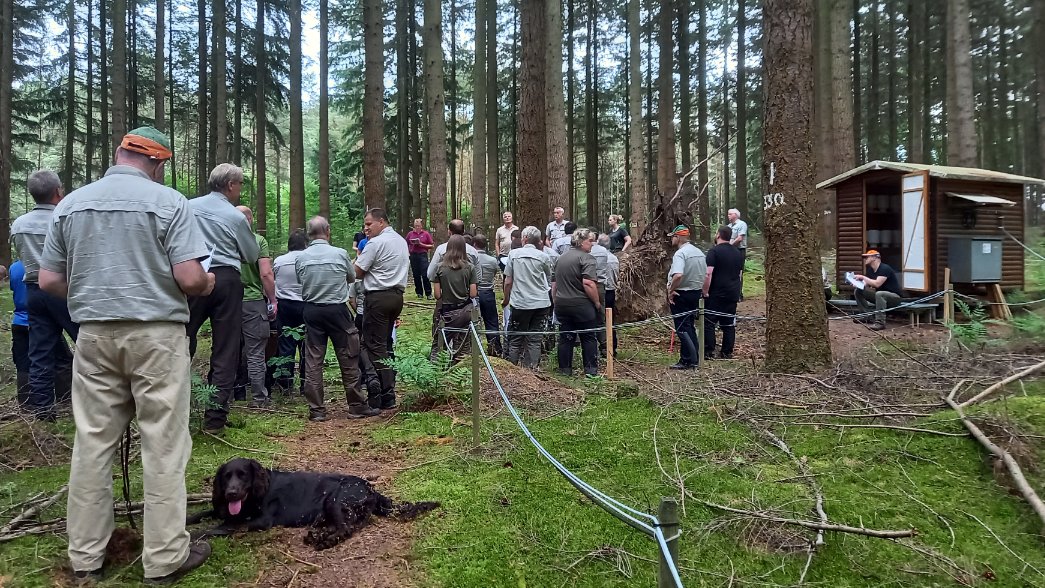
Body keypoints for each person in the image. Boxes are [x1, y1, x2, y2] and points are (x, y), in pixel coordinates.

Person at [38, 126, 214, 584]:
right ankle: (164, 559)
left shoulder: (71, 204)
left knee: (92, 443)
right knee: (163, 444)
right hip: (157, 335)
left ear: (119, 154)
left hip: (94, 335)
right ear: (157, 164)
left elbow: (49, 282)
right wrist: (208, 283)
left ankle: (85, 557)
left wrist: (92, 294)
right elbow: (192, 280)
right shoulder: (170, 203)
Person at [186, 163, 260, 432]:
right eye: (240, 185)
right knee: (226, 348)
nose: (240, 190)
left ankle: (176, 405)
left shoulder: (187, 206)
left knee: (182, 338)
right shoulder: (235, 217)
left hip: (190, 275)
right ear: (230, 185)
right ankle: (214, 418)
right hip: (227, 279)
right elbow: (251, 255)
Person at [10, 169, 78, 421]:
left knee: (39, 352)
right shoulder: (66, 218)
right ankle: (93, 401)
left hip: (33, 292)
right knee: (89, 344)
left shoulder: (19, 224)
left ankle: (43, 411)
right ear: (59, 191)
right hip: (63, 289)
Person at [295, 216, 376, 421]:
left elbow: (299, 280)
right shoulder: (340, 254)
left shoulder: (301, 257)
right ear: (328, 231)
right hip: (337, 311)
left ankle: (317, 409)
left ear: (309, 233)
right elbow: (351, 277)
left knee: (313, 360)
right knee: (349, 355)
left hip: (311, 310)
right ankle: (356, 405)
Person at [355, 208, 409, 410]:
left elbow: (358, 272)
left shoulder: (376, 243)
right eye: (365, 225)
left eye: (369, 224)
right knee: (384, 343)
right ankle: (386, 393)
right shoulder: (400, 240)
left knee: (371, 345)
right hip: (396, 296)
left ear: (382, 222)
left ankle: (381, 393)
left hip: (378, 297)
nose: (365, 228)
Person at [236, 206, 276, 407]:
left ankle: (227, 397)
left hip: (227, 302)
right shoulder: (258, 241)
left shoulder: (224, 241)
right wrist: (273, 299)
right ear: (250, 220)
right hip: (252, 302)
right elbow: (266, 274)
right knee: (255, 352)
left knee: (225, 350)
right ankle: (259, 398)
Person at [552, 228, 601, 377]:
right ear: (581, 242)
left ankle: (564, 370)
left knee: (566, 337)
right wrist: (597, 302)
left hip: (562, 304)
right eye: (590, 241)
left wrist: (556, 301)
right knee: (588, 337)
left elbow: (554, 284)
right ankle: (591, 371)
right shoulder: (587, 258)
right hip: (581, 305)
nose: (592, 244)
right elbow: (588, 283)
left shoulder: (560, 258)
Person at [503, 227, 553, 369]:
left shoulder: (513, 254)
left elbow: (508, 281)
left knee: (515, 338)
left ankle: (512, 370)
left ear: (524, 238)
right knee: (535, 339)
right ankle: (531, 370)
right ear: (538, 240)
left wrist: (506, 298)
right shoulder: (544, 257)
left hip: (520, 302)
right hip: (541, 303)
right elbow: (548, 277)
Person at [271, 231, 308, 394]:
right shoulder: (309, 260)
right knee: (308, 345)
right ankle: (306, 384)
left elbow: (272, 280)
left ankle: (285, 384)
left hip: (285, 305)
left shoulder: (279, 261)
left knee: (286, 344)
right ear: (305, 244)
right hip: (306, 305)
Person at [666, 225, 706, 370]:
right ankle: (688, 358)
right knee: (689, 325)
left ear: (678, 237)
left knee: (682, 328)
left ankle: (690, 359)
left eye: (673, 236)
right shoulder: (699, 252)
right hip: (695, 292)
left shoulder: (680, 254)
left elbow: (678, 275)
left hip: (681, 294)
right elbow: (706, 274)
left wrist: (671, 290)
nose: (671, 239)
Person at [432, 235, 478, 358]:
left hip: (446, 312)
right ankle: (458, 369)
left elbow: (437, 295)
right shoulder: (470, 267)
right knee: (463, 346)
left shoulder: (439, 267)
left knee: (439, 345)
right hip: (465, 312)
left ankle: (436, 371)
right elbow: (473, 294)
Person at [703, 226, 744, 360]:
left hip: (716, 292)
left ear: (719, 235)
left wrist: (705, 291)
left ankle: (708, 351)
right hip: (732, 292)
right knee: (728, 323)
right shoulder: (737, 252)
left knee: (709, 322)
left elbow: (708, 273)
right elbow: (739, 273)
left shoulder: (714, 252)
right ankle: (727, 352)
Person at [853, 249, 904, 331]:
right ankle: (866, 315)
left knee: (880, 294)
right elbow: (865, 284)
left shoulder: (885, 268)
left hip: (895, 298)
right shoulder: (870, 270)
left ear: (874, 258)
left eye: (867, 257)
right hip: (880, 298)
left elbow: (877, 284)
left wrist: (863, 277)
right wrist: (856, 283)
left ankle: (880, 322)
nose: (865, 259)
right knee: (858, 291)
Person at [473, 235, 503, 356]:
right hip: (488, 293)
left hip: (474, 293)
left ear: (474, 244)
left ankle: (474, 349)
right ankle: (495, 348)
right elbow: (495, 272)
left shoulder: (471, 259)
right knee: (491, 321)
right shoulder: (492, 260)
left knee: (474, 321)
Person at [589, 232, 612, 355]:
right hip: (601, 285)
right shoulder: (603, 251)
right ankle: (604, 346)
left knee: (587, 315)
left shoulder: (587, 251)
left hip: (588, 285)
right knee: (601, 317)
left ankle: (589, 345)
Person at [599, 234, 620, 355]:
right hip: (611, 291)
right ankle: (613, 346)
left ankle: (604, 347)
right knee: (610, 319)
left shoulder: (598, 258)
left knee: (600, 319)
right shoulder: (614, 258)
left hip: (602, 291)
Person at [405, 218, 435, 299]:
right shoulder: (410, 234)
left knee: (425, 274)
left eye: (418, 226)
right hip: (413, 255)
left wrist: (421, 244)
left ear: (421, 226)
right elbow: (406, 243)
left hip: (422, 255)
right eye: (415, 226)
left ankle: (428, 293)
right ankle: (419, 293)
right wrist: (408, 251)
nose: (417, 227)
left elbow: (431, 245)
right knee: (416, 275)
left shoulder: (425, 234)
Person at [728, 208, 749, 300]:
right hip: (730, 251)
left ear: (735, 215)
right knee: (730, 271)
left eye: (730, 214)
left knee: (738, 272)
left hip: (739, 250)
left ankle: (738, 294)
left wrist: (729, 245)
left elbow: (740, 238)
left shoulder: (742, 224)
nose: (728, 216)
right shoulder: (728, 226)